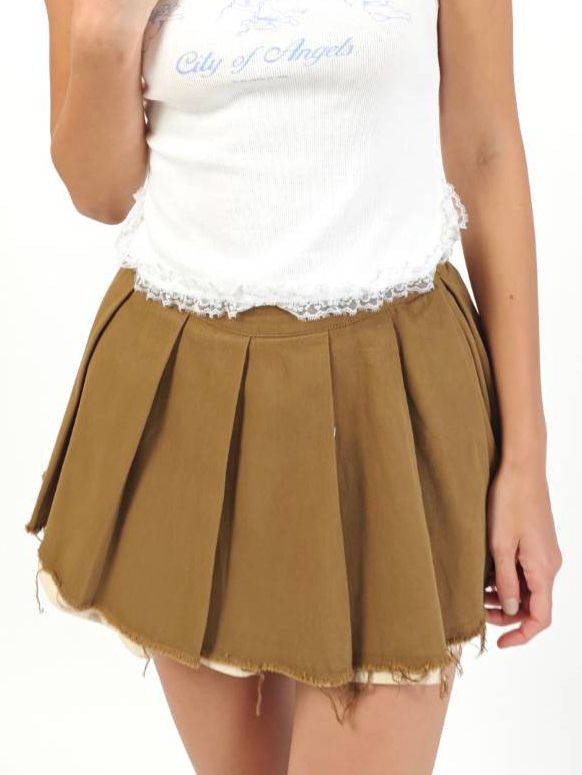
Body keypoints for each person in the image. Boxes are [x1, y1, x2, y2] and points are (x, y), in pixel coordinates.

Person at [26, 1, 562, 773]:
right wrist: (106, 31)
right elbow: (100, 191)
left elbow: (486, 149)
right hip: (191, 399)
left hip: (393, 400)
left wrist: (525, 459)